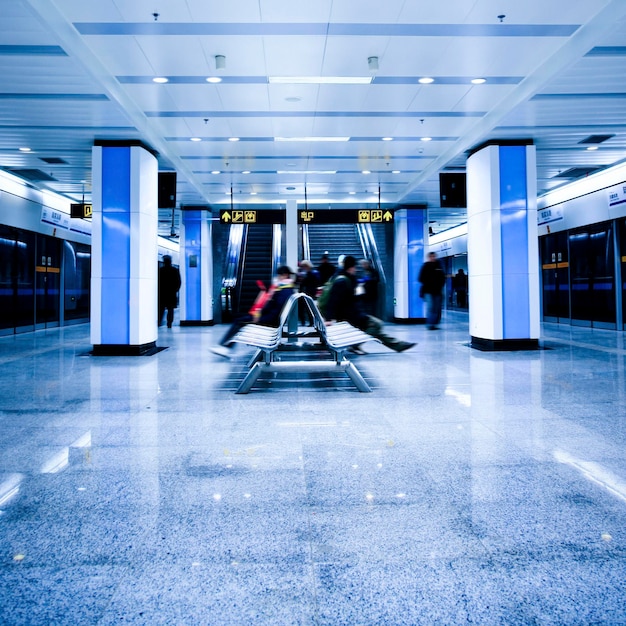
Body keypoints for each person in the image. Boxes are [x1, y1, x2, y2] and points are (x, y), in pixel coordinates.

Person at [324, 255, 415, 354]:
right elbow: (333, 300)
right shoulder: (342, 281)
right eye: (355, 267)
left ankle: (398, 345)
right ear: (351, 267)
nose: (356, 269)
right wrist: (329, 319)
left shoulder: (346, 279)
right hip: (351, 317)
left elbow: (347, 298)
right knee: (376, 325)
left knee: (376, 327)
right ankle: (356, 345)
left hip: (352, 314)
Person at [210, 265, 295, 358]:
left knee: (239, 321)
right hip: (270, 318)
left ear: (286, 275)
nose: (278, 277)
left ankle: (226, 347)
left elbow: (276, 310)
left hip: (270, 320)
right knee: (241, 320)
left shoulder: (284, 290)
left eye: (280, 275)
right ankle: (226, 346)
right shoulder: (285, 289)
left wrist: (260, 316)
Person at [418, 251, 446, 330]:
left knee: (436, 308)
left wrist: (440, 285)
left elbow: (442, 278)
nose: (433, 258)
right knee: (430, 307)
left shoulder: (439, 266)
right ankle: (430, 324)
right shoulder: (425, 266)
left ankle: (434, 323)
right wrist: (429, 282)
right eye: (431, 257)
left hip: (437, 291)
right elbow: (420, 278)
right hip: (428, 291)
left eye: (434, 256)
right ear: (428, 257)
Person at [158, 255, 181, 328]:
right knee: (170, 309)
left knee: (161, 309)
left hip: (162, 293)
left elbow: (158, 282)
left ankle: (159, 322)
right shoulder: (175, 270)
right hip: (171, 293)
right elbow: (178, 281)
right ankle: (169, 323)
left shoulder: (160, 270)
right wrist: (175, 290)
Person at [297, 260, 320, 325]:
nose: (303, 268)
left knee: (309, 309)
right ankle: (305, 321)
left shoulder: (312, 273)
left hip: (309, 293)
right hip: (304, 293)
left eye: (304, 266)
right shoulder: (305, 273)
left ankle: (311, 322)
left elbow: (315, 283)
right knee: (303, 308)